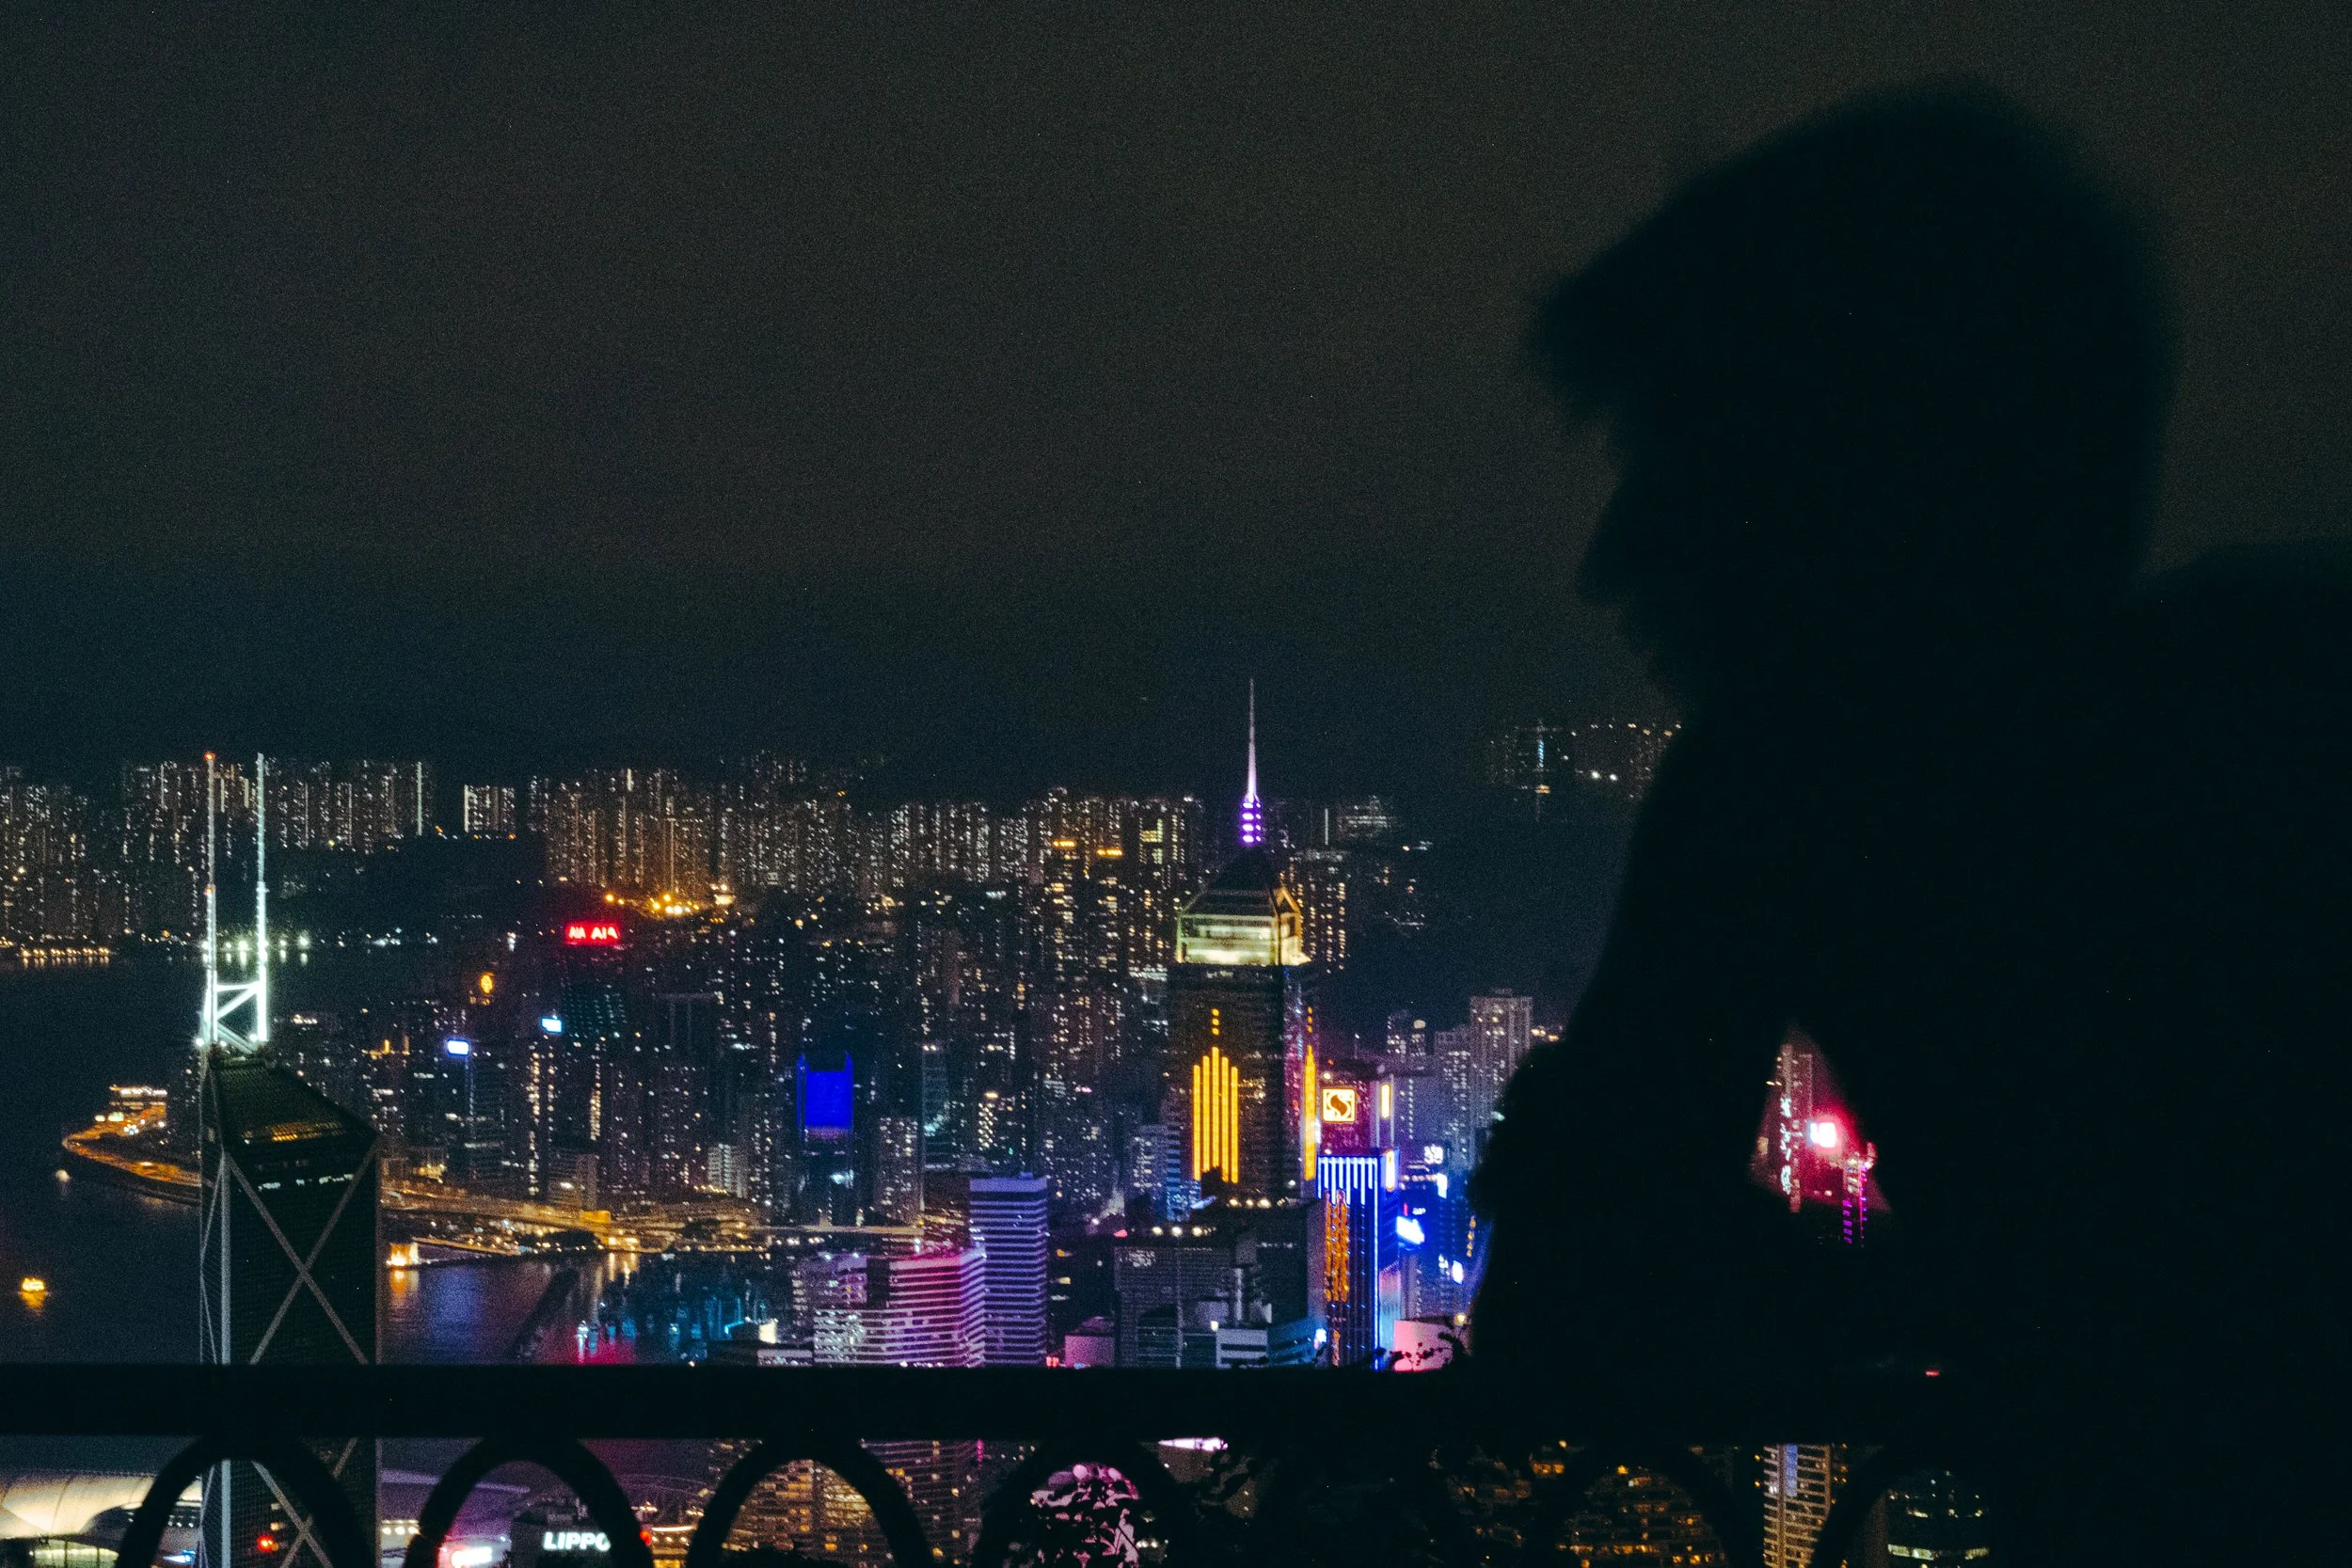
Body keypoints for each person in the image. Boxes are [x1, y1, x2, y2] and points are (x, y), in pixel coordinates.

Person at [1470, 87, 2346, 1563]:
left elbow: (1575, 1309)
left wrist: (1892, 1295)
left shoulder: (1783, 805)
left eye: (1687, 453)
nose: (1619, 552)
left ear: (1859, 475)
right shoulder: (2280, 704)